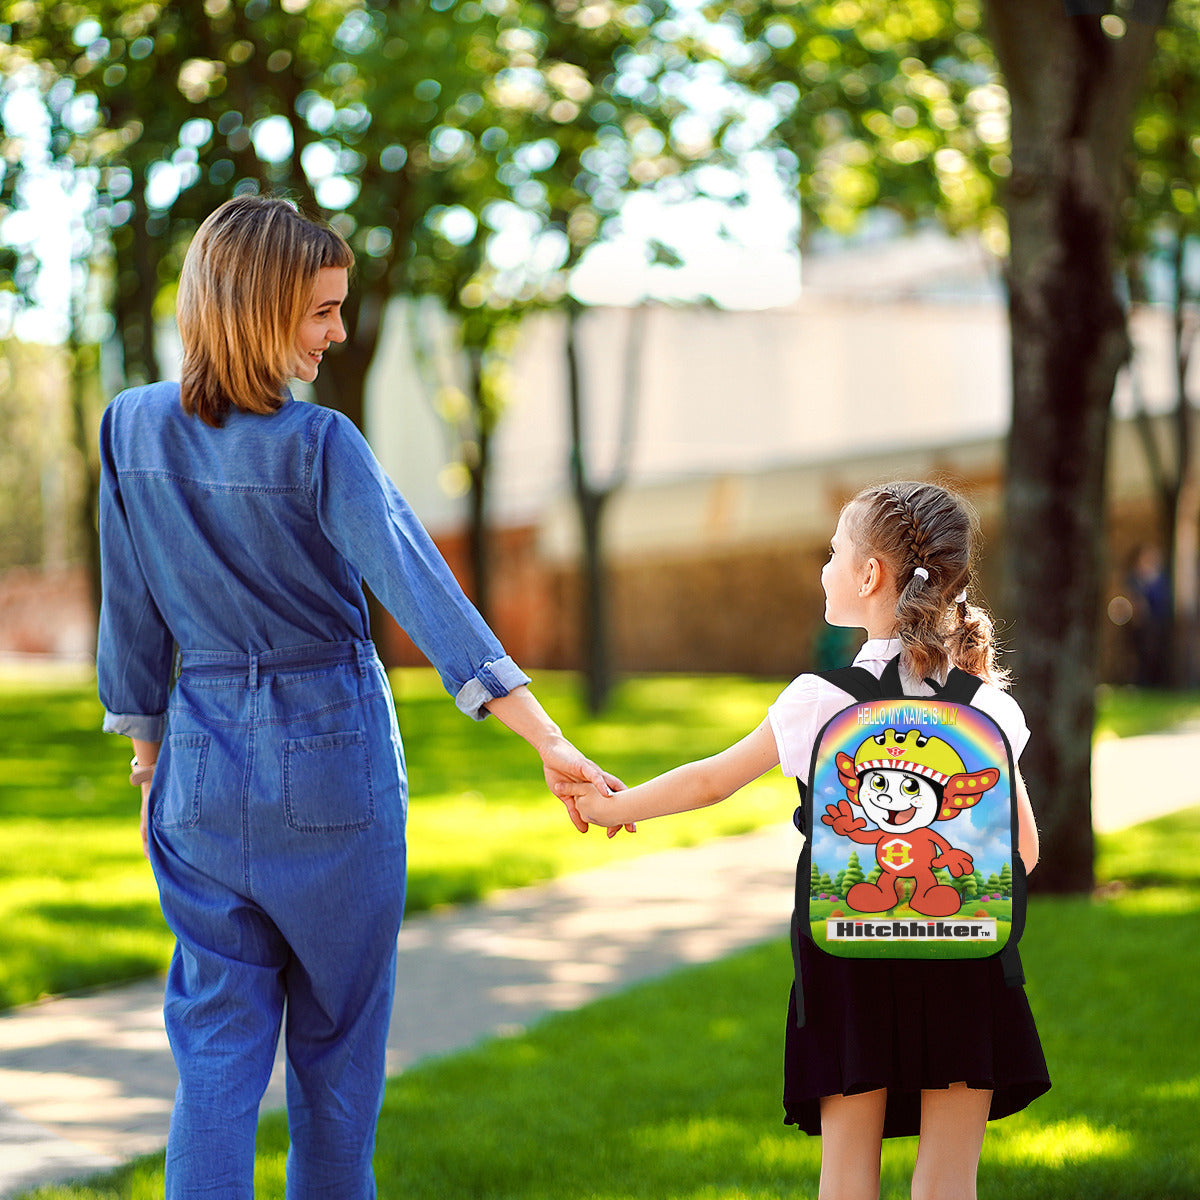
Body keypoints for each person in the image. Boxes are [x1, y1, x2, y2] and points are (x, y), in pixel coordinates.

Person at [96, 194, 620, 1199]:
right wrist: (544, 737)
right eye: (321, 311)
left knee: (213, 1059)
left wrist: (152, 755)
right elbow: (426, 592)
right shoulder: (318, 443)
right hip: (329, 759)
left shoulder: (129, 427)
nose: (339, 332)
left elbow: (132, 614)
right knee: (335, 1059)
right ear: (256, 306)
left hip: (198, 774)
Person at [559, 481, 1049, 1200]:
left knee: (846, 1175)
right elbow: (1026, 854)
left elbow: (709, 783)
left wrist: (614, 808)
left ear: (869, 574)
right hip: (963, 961)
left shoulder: (820, 702)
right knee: (950, 1181)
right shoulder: (988, 709)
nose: (825, 567)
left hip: (847, 959)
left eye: (833, 551)